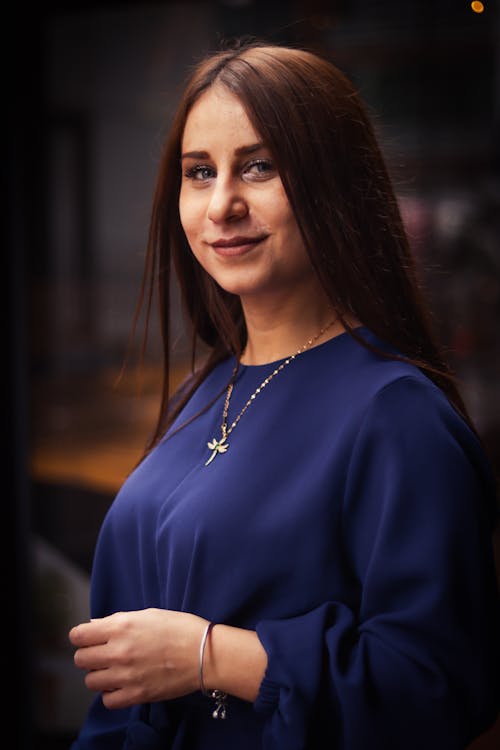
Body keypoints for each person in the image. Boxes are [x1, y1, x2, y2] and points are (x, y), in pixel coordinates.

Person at [68, 40, 500, 749]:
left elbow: (438, 686)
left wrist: (210, 656)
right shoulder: (203, 391)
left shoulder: (396, 415)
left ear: (336, 184)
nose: (223, 203)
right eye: (199, 173)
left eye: (259, 166)